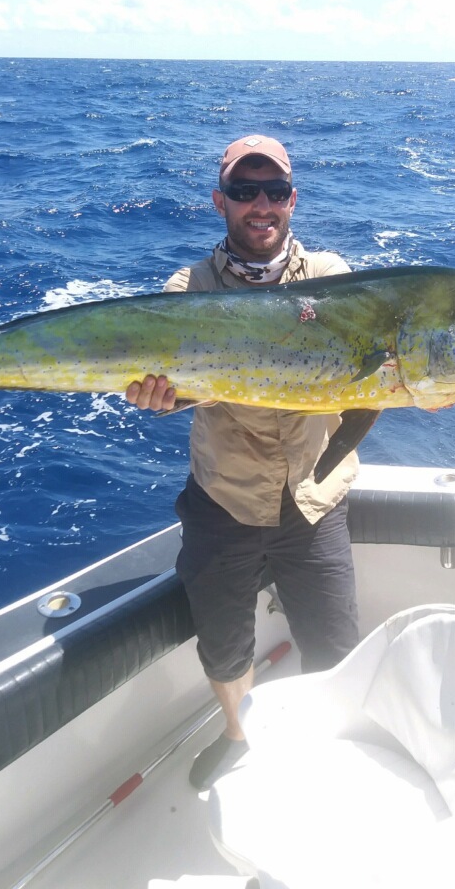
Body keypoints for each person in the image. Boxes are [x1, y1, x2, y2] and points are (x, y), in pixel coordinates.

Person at [126, 135, 360, 790]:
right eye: (244, 191)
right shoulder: (189, 288)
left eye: (274, 191)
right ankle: (238, 737)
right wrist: (159, 398)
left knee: (338, 649)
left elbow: (374, 371)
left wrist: (428, 385)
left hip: (314, 499)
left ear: (292, 199)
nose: (261, 204)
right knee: (224, 645)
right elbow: (174, 386)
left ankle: (330, 754)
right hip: (224, 500)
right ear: (219, 201)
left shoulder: (333, 281)